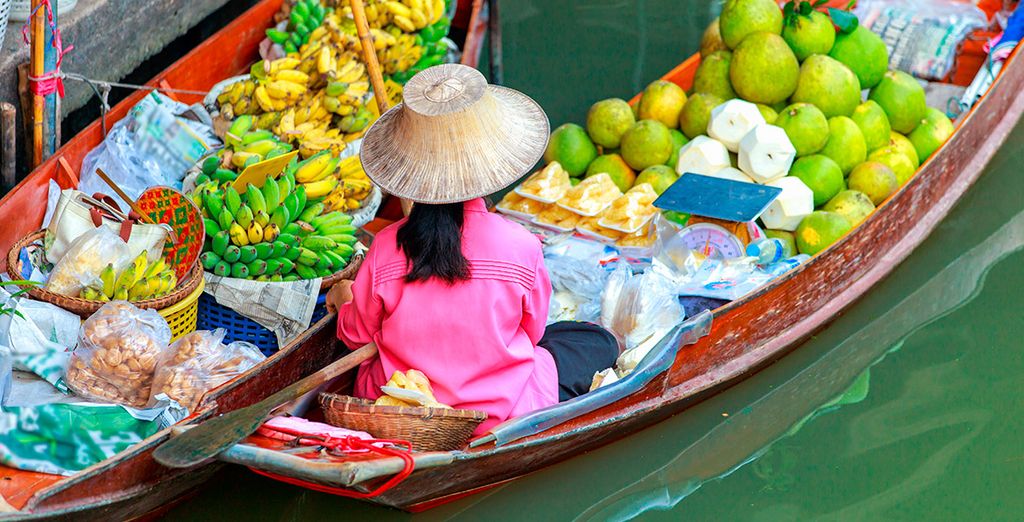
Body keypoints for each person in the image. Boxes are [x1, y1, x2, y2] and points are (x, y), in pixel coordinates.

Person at [326, 64, 618, 434]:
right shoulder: (521, 246)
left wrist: (346, 299)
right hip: (496, 414)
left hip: (400, 412)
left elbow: (356, 336)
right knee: (595, 340)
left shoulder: (384, 247)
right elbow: (532, 331)